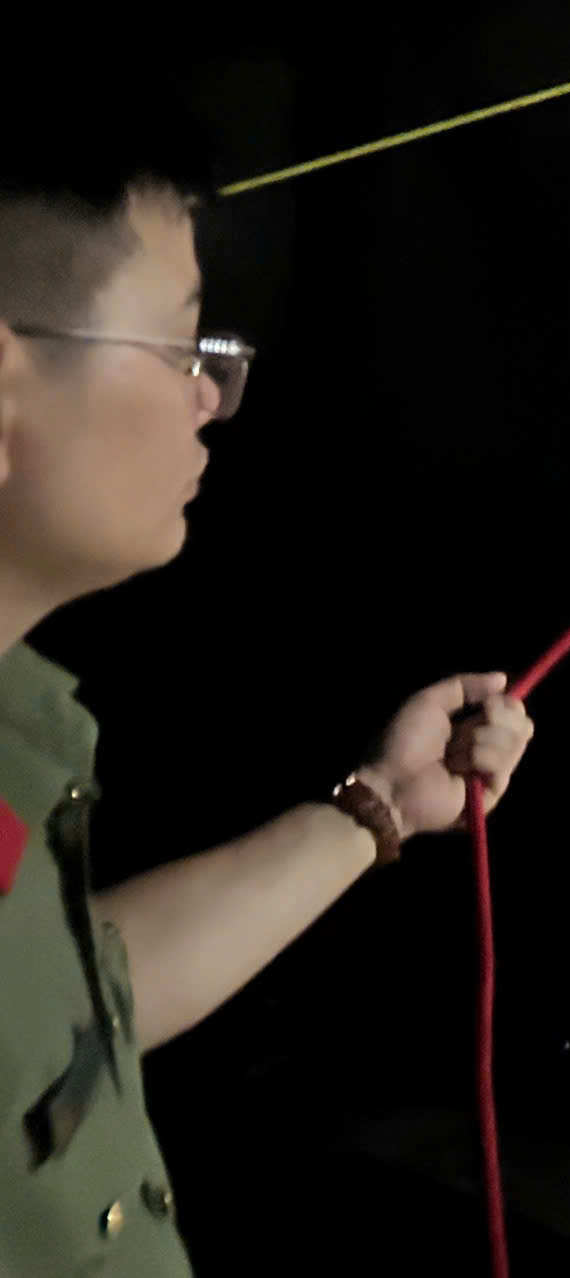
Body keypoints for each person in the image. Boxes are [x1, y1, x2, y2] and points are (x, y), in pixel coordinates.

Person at [0, 109, 534, 1272]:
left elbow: (80, 985)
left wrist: (383, 803)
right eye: (180, 347)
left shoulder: (17, 724)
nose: (214, 395)